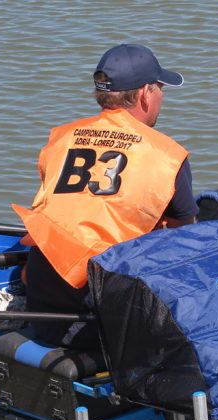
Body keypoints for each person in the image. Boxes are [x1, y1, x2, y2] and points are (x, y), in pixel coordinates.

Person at [12, 44, 198, 350]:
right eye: (160, 89)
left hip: (43, 304)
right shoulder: (167, 155)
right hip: (100, 319)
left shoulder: (61, 138)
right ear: (144, 95)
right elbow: (185, 238)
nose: (162, 98)